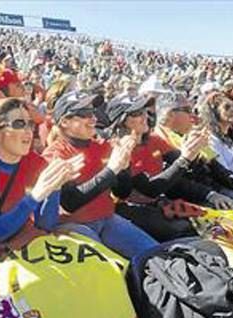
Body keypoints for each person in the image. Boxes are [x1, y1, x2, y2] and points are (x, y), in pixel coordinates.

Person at [42, 91, 159, 261]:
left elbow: (122, 193)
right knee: (109, 269)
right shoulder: (55, 154)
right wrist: (111, 170)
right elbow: (70, 202)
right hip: (72, 225)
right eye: (84, 114)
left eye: (92, 113)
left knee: (154, 255)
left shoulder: (103, 146)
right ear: (65, 122)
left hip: (107, 219)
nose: (92, 119)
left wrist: (124, 168)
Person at [0, 97, 82, 246]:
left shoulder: (34, 161)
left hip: (24, 244)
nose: (28, 131)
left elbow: (46, 226)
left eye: (30, 124)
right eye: (19, 124)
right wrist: (34, 196)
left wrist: (54, 187)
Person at [105, 94, 209, 241]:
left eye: (144, 111)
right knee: (185, 232)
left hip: (159, 203)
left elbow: (186, 167)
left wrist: (195, 153)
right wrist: (185, 159)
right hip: (127, 209)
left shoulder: (154, 140)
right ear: (121, 121)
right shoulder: (117, 148)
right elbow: (149, 189)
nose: (144, 117)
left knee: (210, 221)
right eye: (136, 114)